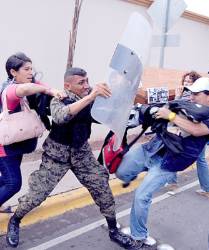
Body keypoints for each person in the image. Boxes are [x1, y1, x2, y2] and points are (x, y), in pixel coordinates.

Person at [6, 67, 134, 248]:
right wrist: (90, 97)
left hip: (81, 154)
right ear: (68, 85)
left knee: (102, 187)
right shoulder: (59, 98)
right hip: (56, 156)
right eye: (81, 83)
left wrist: (120, 91)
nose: (86, 86)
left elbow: (111, 111)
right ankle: (15, 220)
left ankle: (113, 230)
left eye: (87, 81)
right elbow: (60, 116)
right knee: (36, 195)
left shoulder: (92, 97)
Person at [116, 77, 209, 249]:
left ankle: (139, 236)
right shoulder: (185, 103)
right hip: (152, 148)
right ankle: (135, 172)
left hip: (169, 163)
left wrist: (171, 115)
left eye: (196, 93)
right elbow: (161, 110)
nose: (192, 96)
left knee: (141, 195)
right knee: (120, 172)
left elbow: (196, 130)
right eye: (191, 92)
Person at [0, 52, 63, 214]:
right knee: (13, 184)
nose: (30, 72)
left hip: (16, 142)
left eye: (31, 69)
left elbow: (36, 85)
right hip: (4, 146)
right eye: (26, 69)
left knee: (6, 179)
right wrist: (50, 91)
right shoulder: (10, 89)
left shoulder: (29, 83)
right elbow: (27, 88)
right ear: (13, 72)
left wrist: (52, 90)